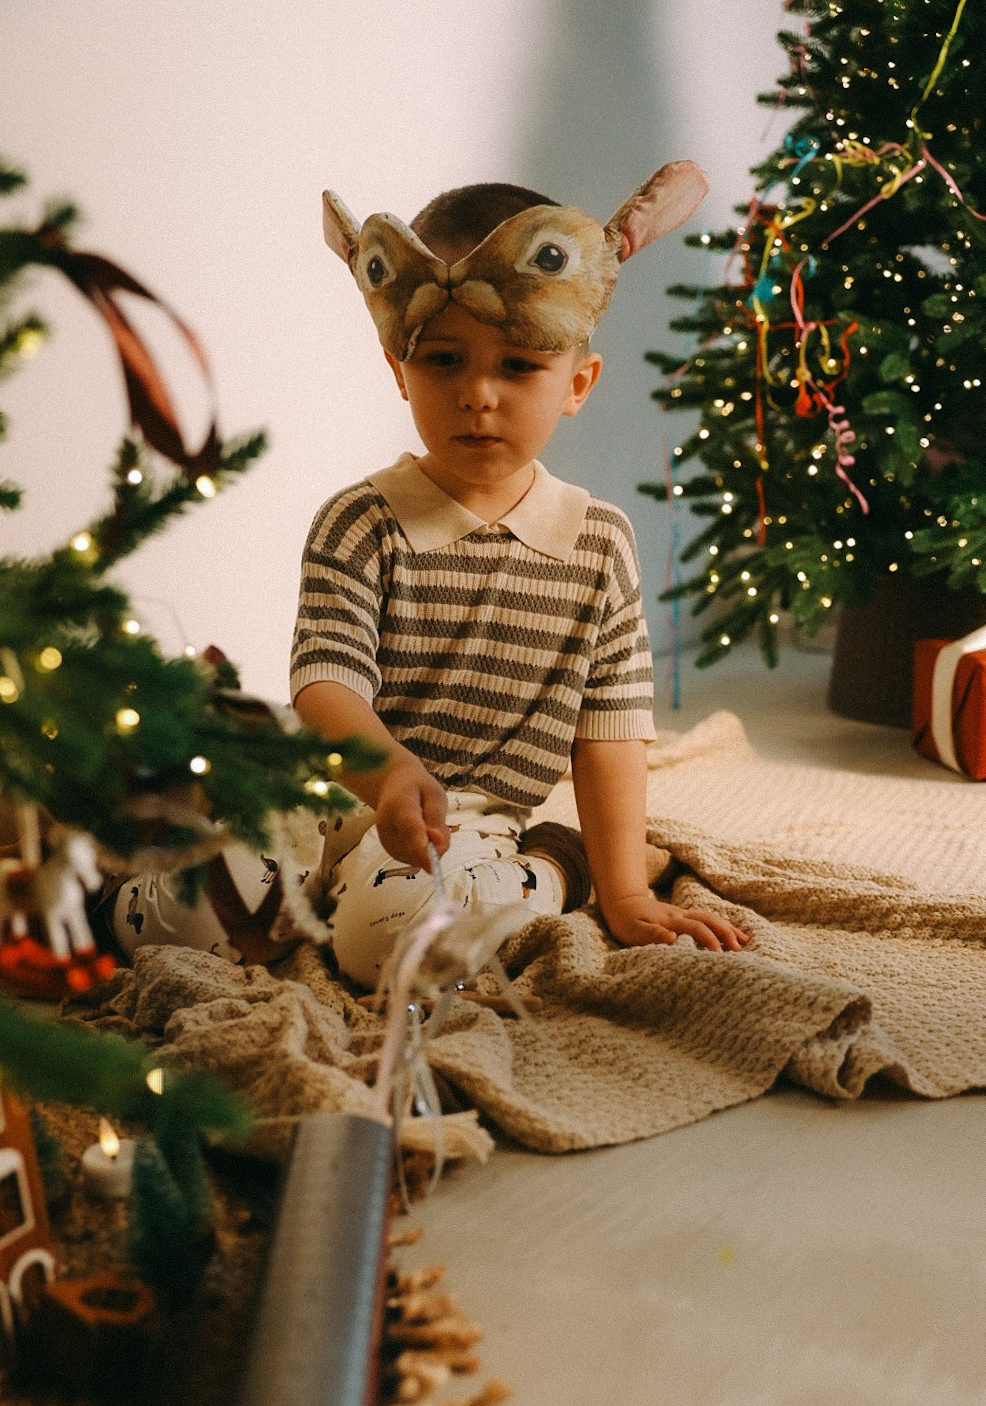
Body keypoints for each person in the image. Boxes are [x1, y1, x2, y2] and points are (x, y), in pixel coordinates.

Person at [289, 174, 749, 987]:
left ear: (576, 384)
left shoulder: (597, 545)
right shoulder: (358, 523)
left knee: (383, 940)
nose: (478, 394)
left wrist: (627, 891)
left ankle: (557, 865)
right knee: (174, 898)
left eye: (518, 364)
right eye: (443, 360)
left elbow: (609, 730)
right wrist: (390, 771)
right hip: (334, 798)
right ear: (400, 369)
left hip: (461, 829)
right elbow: (326, 685)